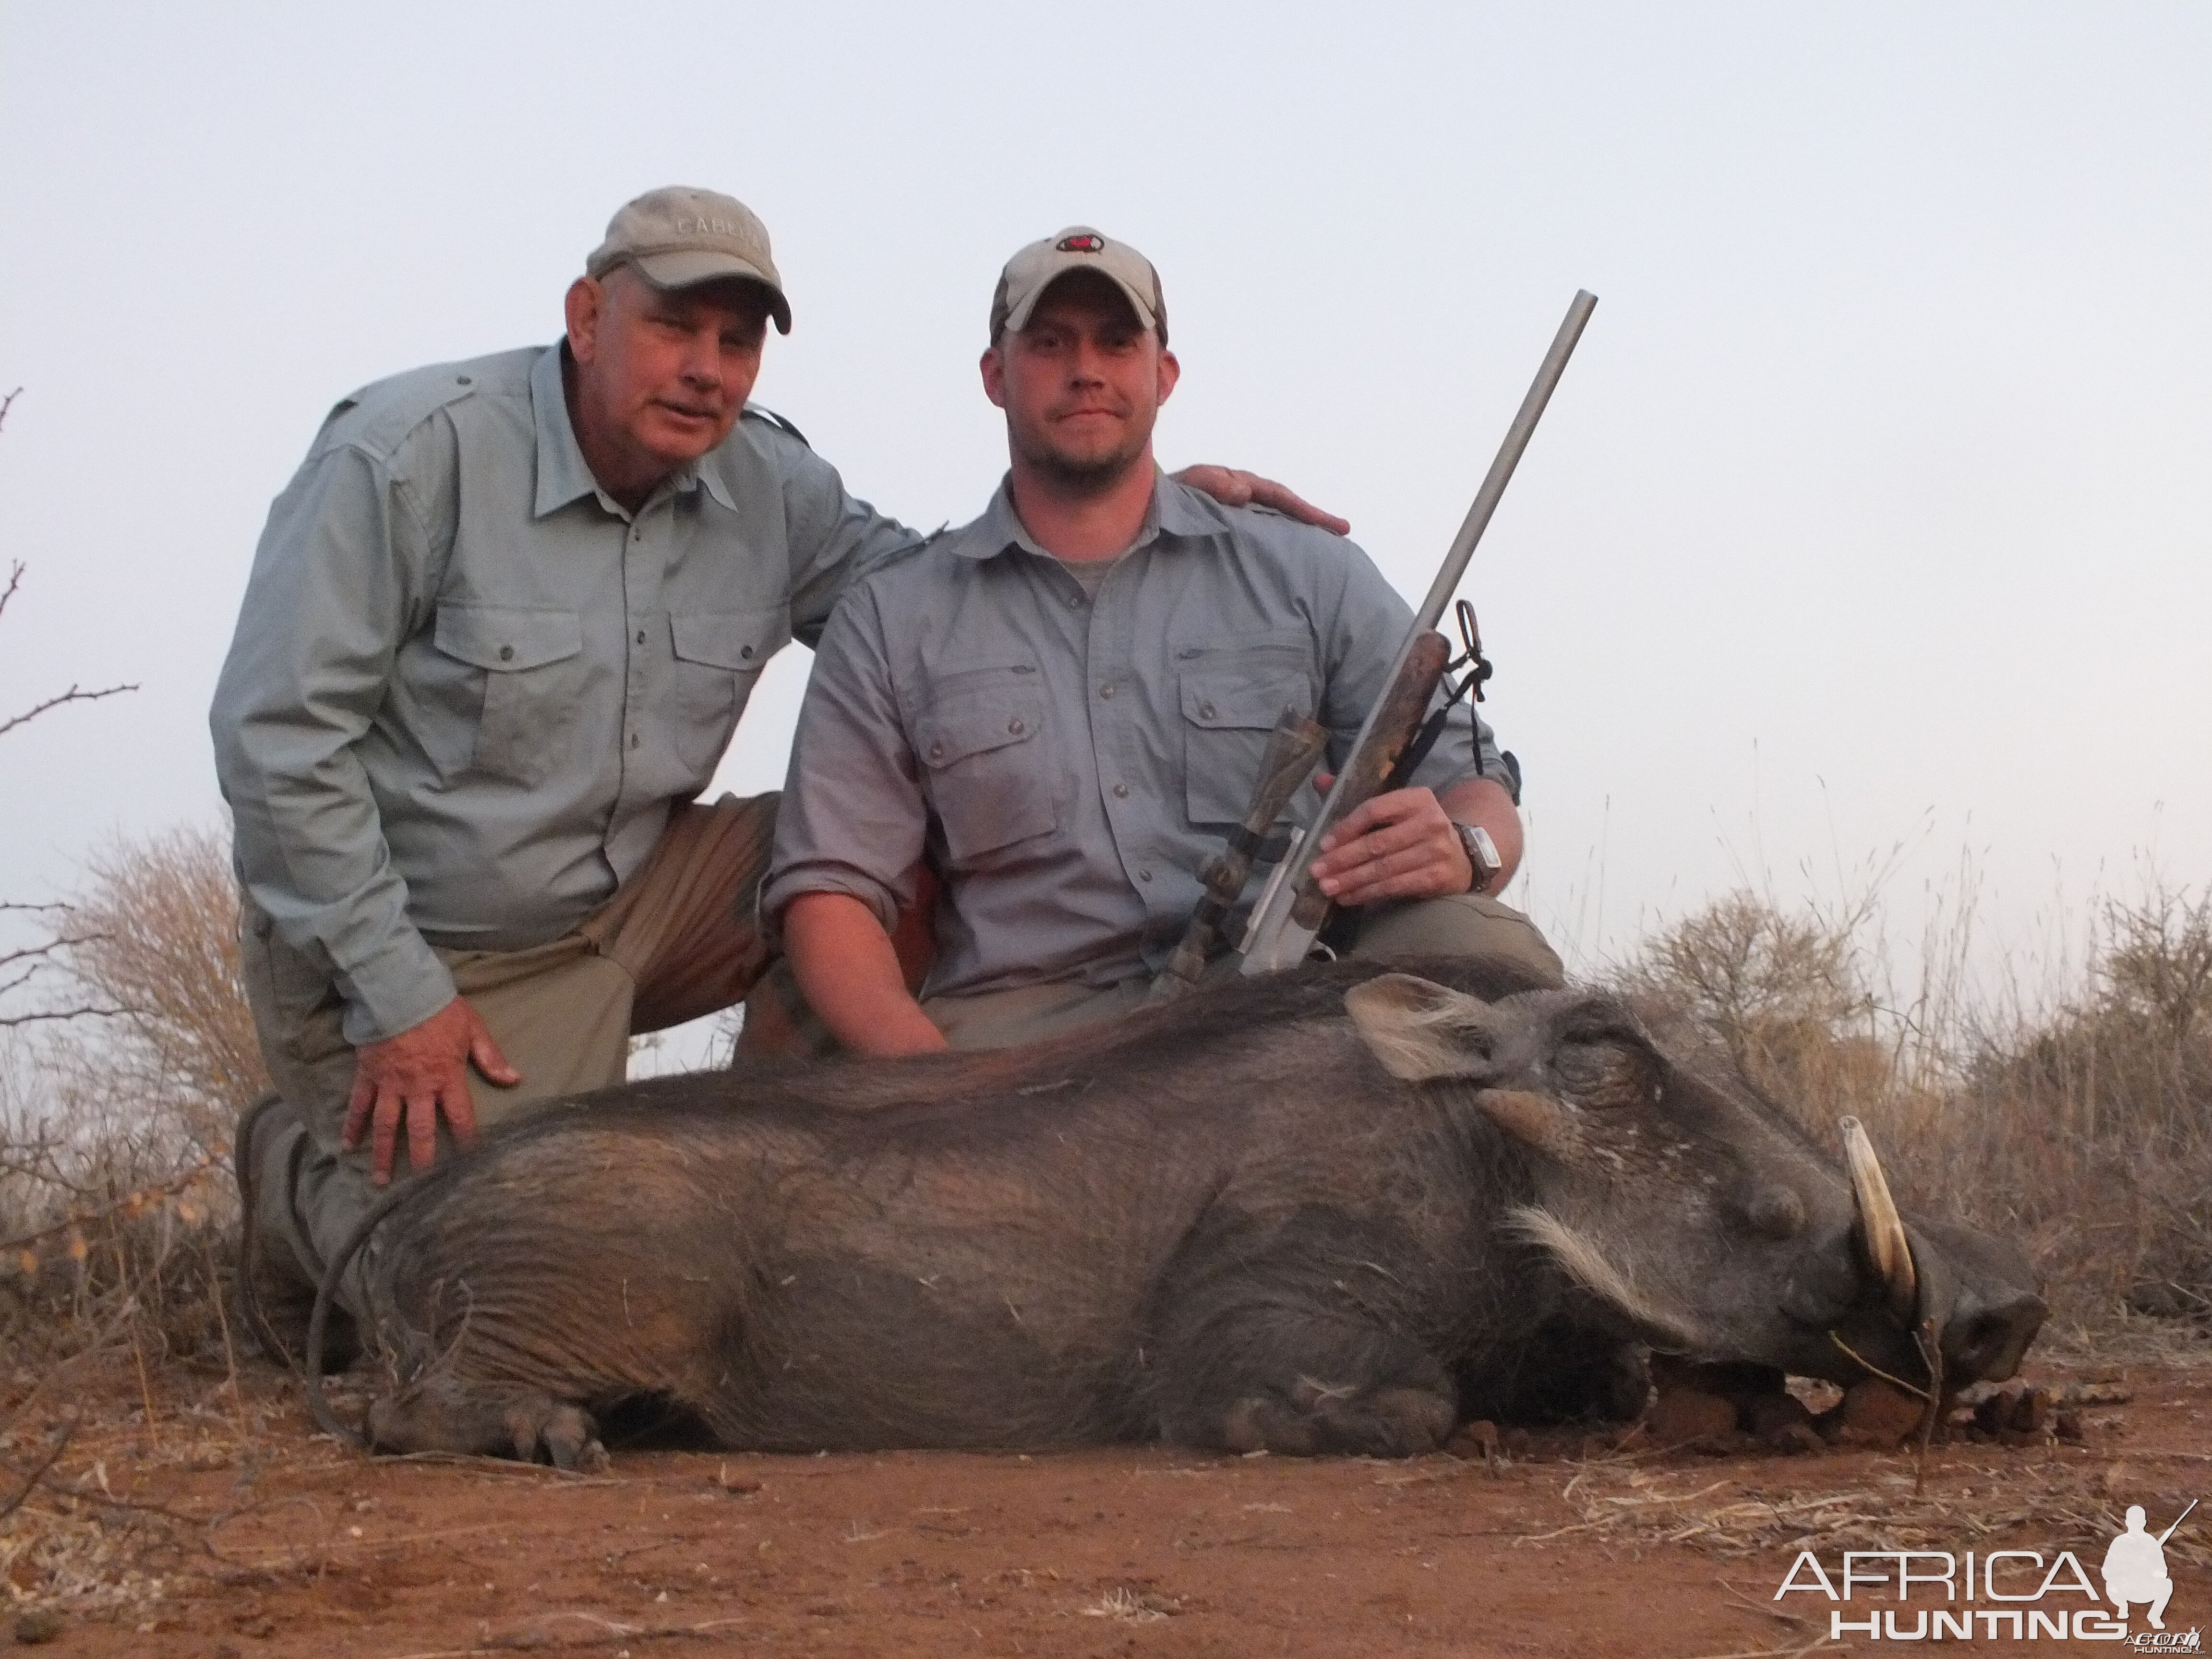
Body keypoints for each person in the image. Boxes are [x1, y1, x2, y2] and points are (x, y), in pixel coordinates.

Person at [213, 189, 1340, 1353]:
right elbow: (277, 742)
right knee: (500, 1302)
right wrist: (401, 1000)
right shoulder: (407, 456)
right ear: (587, 316)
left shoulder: (772, 486)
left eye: (737, 340)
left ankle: (772, 1208)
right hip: (427, 950)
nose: (707, 369)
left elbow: (952, 606)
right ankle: (296, 1182)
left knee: (864, 863)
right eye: (673, 328)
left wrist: (1146, 513)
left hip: (645, 897)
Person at [761, 226, 1563, 1056]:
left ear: (1162, 375)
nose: (1086, 370)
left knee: (1490, 959)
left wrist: (1466, 848)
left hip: (1289, 993)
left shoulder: (1307, 571)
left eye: (1117, 342)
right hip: (1027, 1039)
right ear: (995, 377)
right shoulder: (891, 616)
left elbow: (1475, 787)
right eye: (1048, 343)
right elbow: (831, 892)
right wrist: (933, 1095)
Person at [2102, 1505, 2176, 1630]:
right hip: (2125, 1590)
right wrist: (2124, 1571)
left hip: (2146, 1590)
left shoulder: (2151, 1543)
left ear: (2127, 1523)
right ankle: (2123, 1606)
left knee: (2167, 1584)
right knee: (2111, 1584)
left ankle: (2154, 1616)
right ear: (2144, 1523)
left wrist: (2147, 1569)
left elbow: (2162, 1571)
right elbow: (2107, 1572)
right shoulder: (2119, 1542)